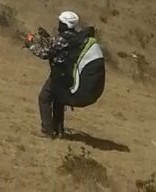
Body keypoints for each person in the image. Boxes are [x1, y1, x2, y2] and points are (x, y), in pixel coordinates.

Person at [24, 10, 105, 138]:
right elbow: (57, 46)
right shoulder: (75, 38)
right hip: (68, 76)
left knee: (44, 98)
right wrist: (46, 37)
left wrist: (31, 45)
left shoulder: (62, 39)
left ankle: (47, 130)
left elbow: (45, 53)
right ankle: (59, 130)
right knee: (59, 99)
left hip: (58, 75)